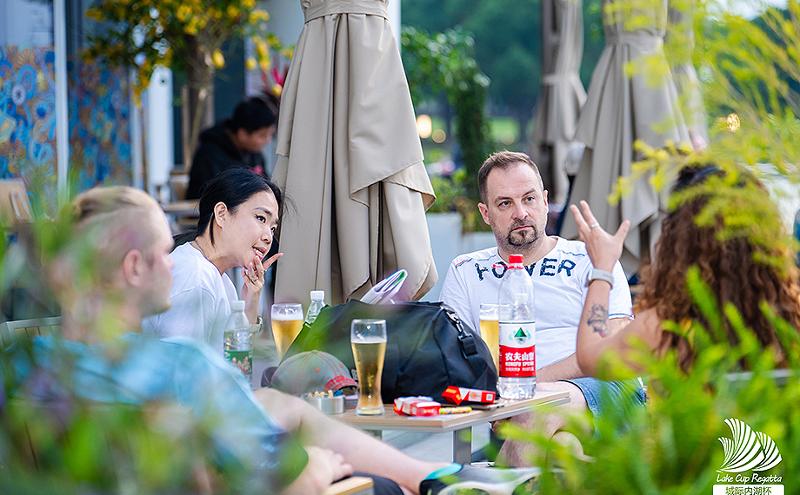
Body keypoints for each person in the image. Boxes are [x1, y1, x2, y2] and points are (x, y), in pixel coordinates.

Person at [5, 185, 544, 494]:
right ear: (132, 268)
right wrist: (319, 467)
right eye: (164, 251)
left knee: (275, 402)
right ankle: (434, 482)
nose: (174, 261)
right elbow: (282, 480)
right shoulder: (181, 366)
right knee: (365, 478)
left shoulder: (26, 365)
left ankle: (434, 476)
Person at [440, 151, 643, 465]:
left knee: (535, 414)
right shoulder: (466, 271)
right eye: (505, 203)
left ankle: (492, 481)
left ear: (546, 201)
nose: (521, 213)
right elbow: (454, 359)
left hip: (605, 389)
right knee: (562, 449)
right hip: (516, 408)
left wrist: (530, 385)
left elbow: (612, 345)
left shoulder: (590, 257)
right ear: (485, 213)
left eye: (529, 199)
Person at [569, 165, 800, 375]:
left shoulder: (666, 328)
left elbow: (590, 358)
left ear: (680, 242)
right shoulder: (790, 316)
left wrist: (603, 266)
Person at [143, 168, 281, 351]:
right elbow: (182, 365)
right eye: (261, 218)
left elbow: (236, 357)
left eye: (272, 228)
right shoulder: (195, 276)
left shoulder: (218, 277)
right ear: (222, 214)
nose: (268, 237)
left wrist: (251, 300)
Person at [186, 95, 278, 200]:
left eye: (270, 135)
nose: (268, 140)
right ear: (242, 134)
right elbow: (211, 195)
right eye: (262, 135)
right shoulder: (209, 155)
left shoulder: (254, 153)